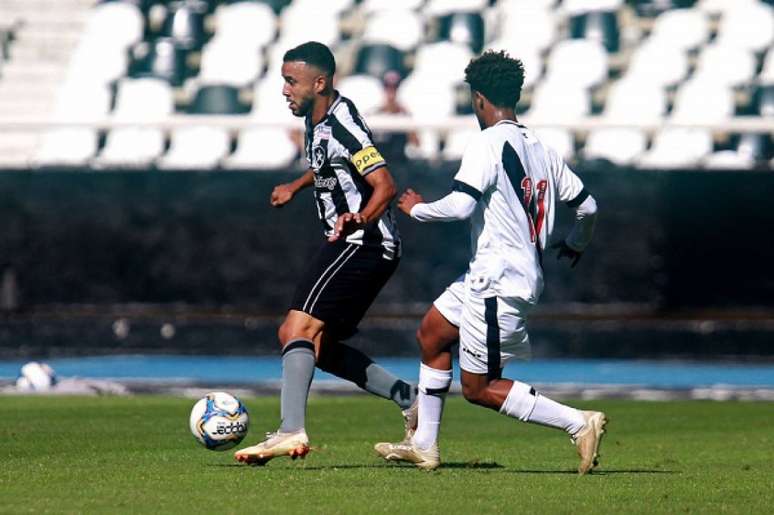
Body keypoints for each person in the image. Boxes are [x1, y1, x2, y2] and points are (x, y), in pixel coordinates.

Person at [374, 50, 607, 474]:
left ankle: (578, 422)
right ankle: (424, 444)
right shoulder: (541, 147)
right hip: (490, 275)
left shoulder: (487, 142)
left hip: (499, 280)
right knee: (432, 333)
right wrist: (575, 243)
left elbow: (462, 206)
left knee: (479, 388)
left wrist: (417, 210)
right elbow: (587, 206)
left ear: (478, 99)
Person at [235, 41, 416, 465]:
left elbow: (384, 185)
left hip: (363, 243)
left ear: (319, 82)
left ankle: (289, 430)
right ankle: (410, 399)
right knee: (319, 344)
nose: (284, 90)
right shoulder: (317, 120)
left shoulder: (343, 124)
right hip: (356, 243)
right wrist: (296, 187)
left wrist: (360, 219)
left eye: (290, 81)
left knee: (295, 330)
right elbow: (327, 164)